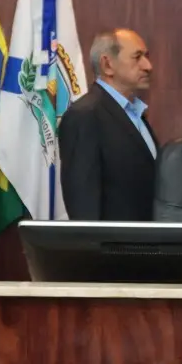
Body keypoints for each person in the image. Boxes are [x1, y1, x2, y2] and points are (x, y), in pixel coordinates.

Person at [56, 28, 158, 220]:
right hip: (114, 240)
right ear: (107, 65)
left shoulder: (134, 113)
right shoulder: (85, 116)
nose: (148, 66)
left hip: (148, 237)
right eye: (137, 57)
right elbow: (84, 206)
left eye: (146, 56)